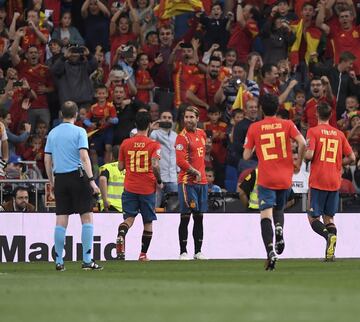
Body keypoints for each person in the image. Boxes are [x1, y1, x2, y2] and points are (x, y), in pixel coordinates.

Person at [243, 93, 306, 270]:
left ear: (262, 108)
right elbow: (302, 144)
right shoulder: (287, 124)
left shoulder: (255, 127)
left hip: (266, 176)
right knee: (279, 209)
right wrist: (298, 163)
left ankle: (270, 250)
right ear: (277, 108)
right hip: (285, 176)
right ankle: (279, 229)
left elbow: (246, 155)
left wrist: (256, 145)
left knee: (265, 214)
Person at [44, 101, 102, 272]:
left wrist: (52, 181)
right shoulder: (80, 131)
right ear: (76, 114)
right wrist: (91, 181)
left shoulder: (52, 133)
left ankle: (59, 261)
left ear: (61, 114)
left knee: (61, 218)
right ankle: (86, 260)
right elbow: (84, 157)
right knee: (87, 217)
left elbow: (47, 159)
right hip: (78, 177)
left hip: (60, 178)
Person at [305, 102, 355, 261]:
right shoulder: (339, 134)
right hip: (334, 180)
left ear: (317, 114)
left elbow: (309, 155)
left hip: (318, 179)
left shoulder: (313, 131)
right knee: (329, 218)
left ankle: (328, 237)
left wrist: (303, 150)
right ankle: (330, 254)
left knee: (313, 218)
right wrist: (339, 164)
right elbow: (352, 158)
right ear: (330, 115)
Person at [116, 111, 162, 261]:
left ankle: (121, 235)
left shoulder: (125, 143)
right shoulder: (154, 144)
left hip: (130, 187)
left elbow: (120, 167)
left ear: (135, 125)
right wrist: (159, 180)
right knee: (147, 222)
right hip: (147, 188)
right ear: (149, 124)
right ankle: (143, 254)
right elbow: (155, 165)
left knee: (129, 219)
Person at [175, 106, 208, 260]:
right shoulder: (182, 137)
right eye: (186, 117)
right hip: (187, 182)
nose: (188, 120)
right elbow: (180, 161)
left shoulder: (202, 134)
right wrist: (195, 171)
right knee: (187, 215)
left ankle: (198, 251)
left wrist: (201, 174)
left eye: (191, 117)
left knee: (200, 217)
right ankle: (183, 251)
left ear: (197, 119)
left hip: (202, 183)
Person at [150, 111, 178, 208]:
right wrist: (150, 129)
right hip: (158, 177)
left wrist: (178, 172)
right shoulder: (154, 133)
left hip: (173, 177)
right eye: (164, 117)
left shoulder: (176, 135)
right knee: (154, 207)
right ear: (160, 120)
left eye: (169, 118)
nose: (167, 119)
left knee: (174, 208)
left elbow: (177, 155)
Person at [98, 146, 125, 213]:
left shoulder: (108, 167)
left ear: (111, 155)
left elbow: (102, 179)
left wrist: (105, 200)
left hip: (110, 205)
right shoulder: (127, 168)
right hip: (125, 206)